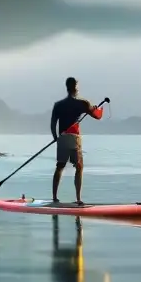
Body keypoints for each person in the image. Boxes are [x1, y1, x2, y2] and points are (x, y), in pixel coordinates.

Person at [50, 76, 104, 204]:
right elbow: (97, 116)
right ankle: (78, 199)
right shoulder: (83, 103)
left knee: (60, 166)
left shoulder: (58, 105)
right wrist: (97, 108)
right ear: (76, 87)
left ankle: (54, 198)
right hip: (74, 138)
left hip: (62, 138)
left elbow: (53, 124)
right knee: (79, 167)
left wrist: (55, 138)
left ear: (67, 87)